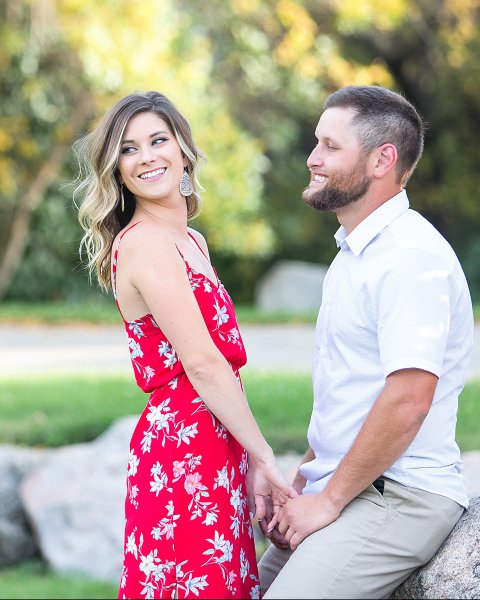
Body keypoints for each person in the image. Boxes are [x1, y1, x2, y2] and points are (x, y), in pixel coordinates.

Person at [74, 90, 297, 599]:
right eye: (129, 149)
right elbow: (201, 362)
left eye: (158, 140)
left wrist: (243, 454)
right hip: (182, 457)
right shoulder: (144, 242)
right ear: (117, 170)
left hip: (215, 443)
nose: (147, 156)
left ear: (183, 148)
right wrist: (264, 456)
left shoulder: (190, 240)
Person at [257, 85, 474, 599]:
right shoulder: (355, 254)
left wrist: (328, 501)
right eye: (317, 143)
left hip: (399, 496)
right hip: (344, 485)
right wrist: (307, 482)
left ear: (382, 160)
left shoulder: (410, 258)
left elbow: (408, 399)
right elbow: (348, 389)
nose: (312, 159)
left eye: (330, 146)